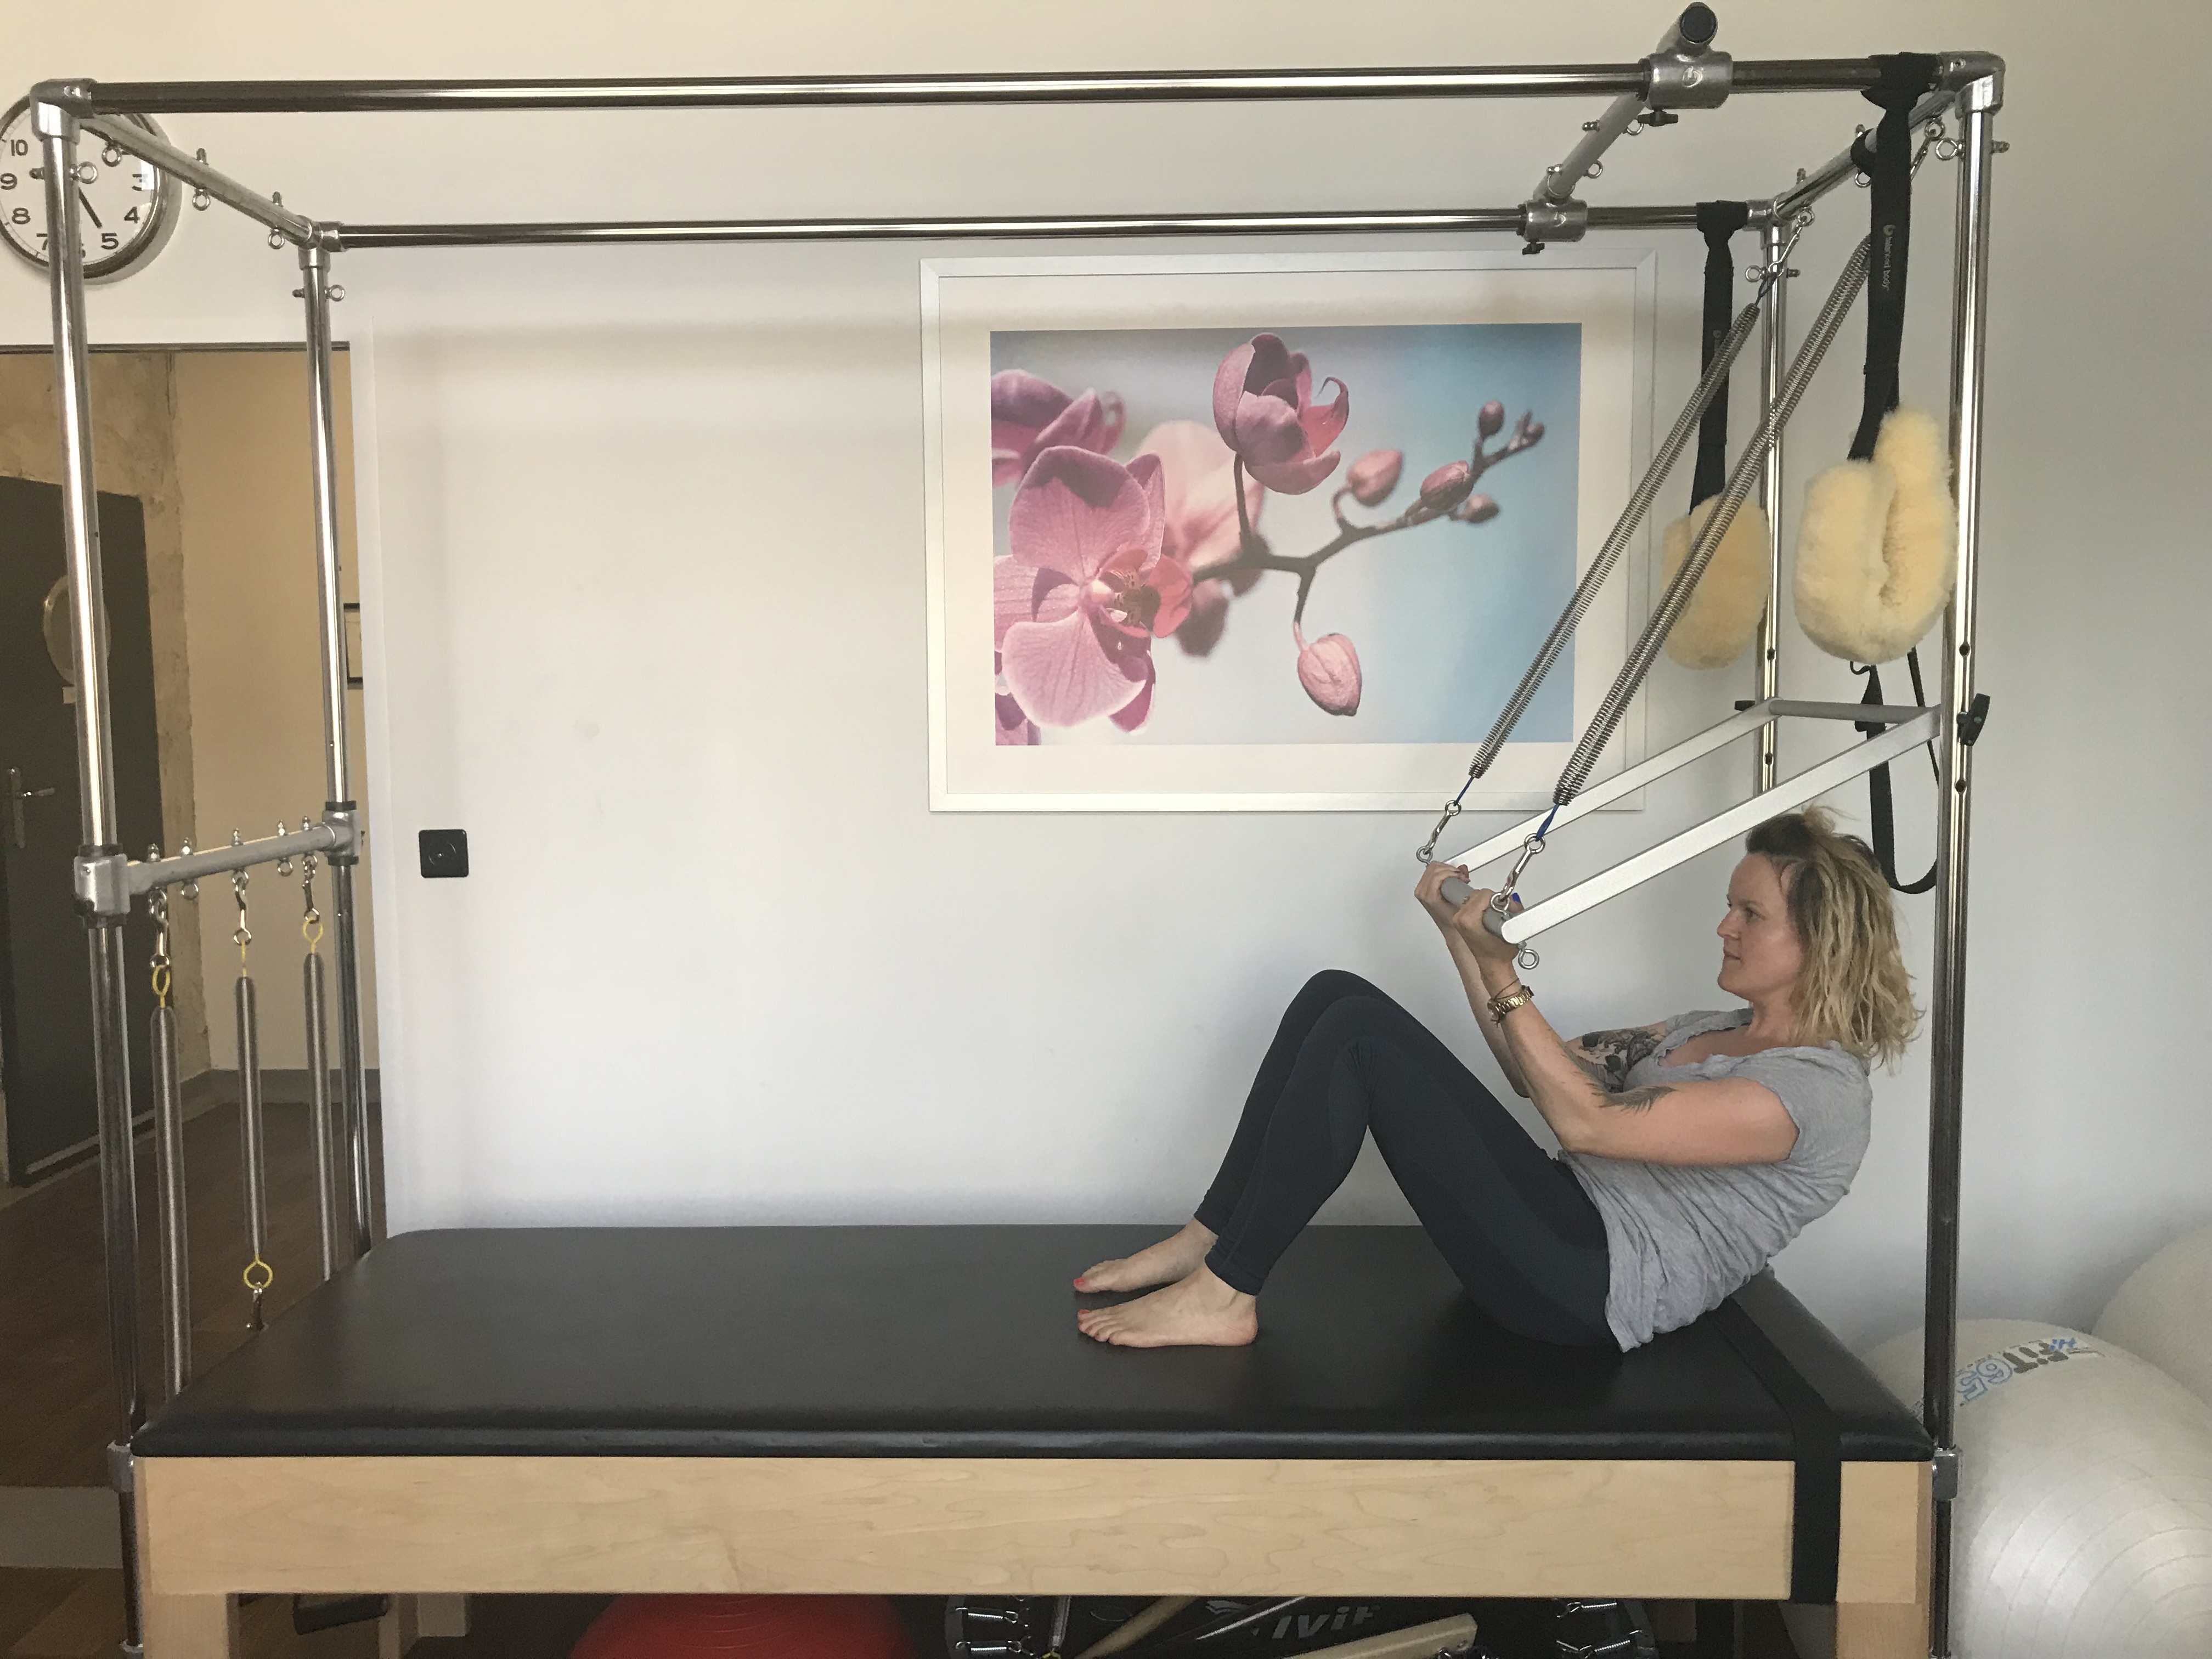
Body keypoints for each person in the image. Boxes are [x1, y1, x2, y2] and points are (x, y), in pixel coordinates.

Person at [1074, 808, 1916, 1351]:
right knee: (1337, 997)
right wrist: (1464, 943)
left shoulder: (1817, 1093)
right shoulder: (1709, 1027)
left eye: (1751, 914)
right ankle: (1213, 1235)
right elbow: (1532, 1072)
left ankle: (1227, 1297)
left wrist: (1504, 971)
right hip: (1561, 1223)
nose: (1724, 926)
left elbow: (1587, 1125)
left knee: (1361, 1036)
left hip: (1591, 1287)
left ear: (1822, 940)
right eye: (1731, 906)